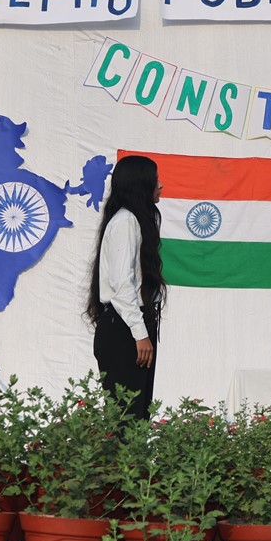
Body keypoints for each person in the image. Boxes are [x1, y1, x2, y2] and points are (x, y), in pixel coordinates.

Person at [86, 154, 165, 421]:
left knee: (139, 416)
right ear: (140, 184)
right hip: (124, 328)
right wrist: (140, 333)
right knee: (126, 418)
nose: (160, 185)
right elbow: (121, 285)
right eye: (155, 180)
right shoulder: (125, 222)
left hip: (134, 324)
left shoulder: (136, 221)